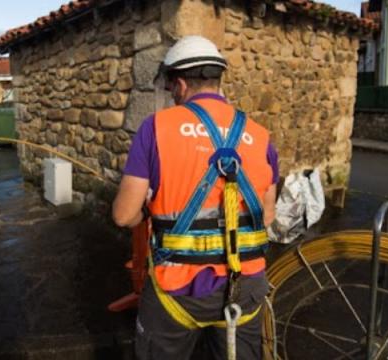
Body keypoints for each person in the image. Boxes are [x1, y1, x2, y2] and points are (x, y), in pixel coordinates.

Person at [112, 36, 279, 359]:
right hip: (246, 286)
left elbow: (123, 215)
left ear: (180, 84)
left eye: (172, 88)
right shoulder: (260, 135)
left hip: (179, 289)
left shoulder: (156, 128)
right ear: (217, 79)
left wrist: (147, 211)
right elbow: (267, 214)